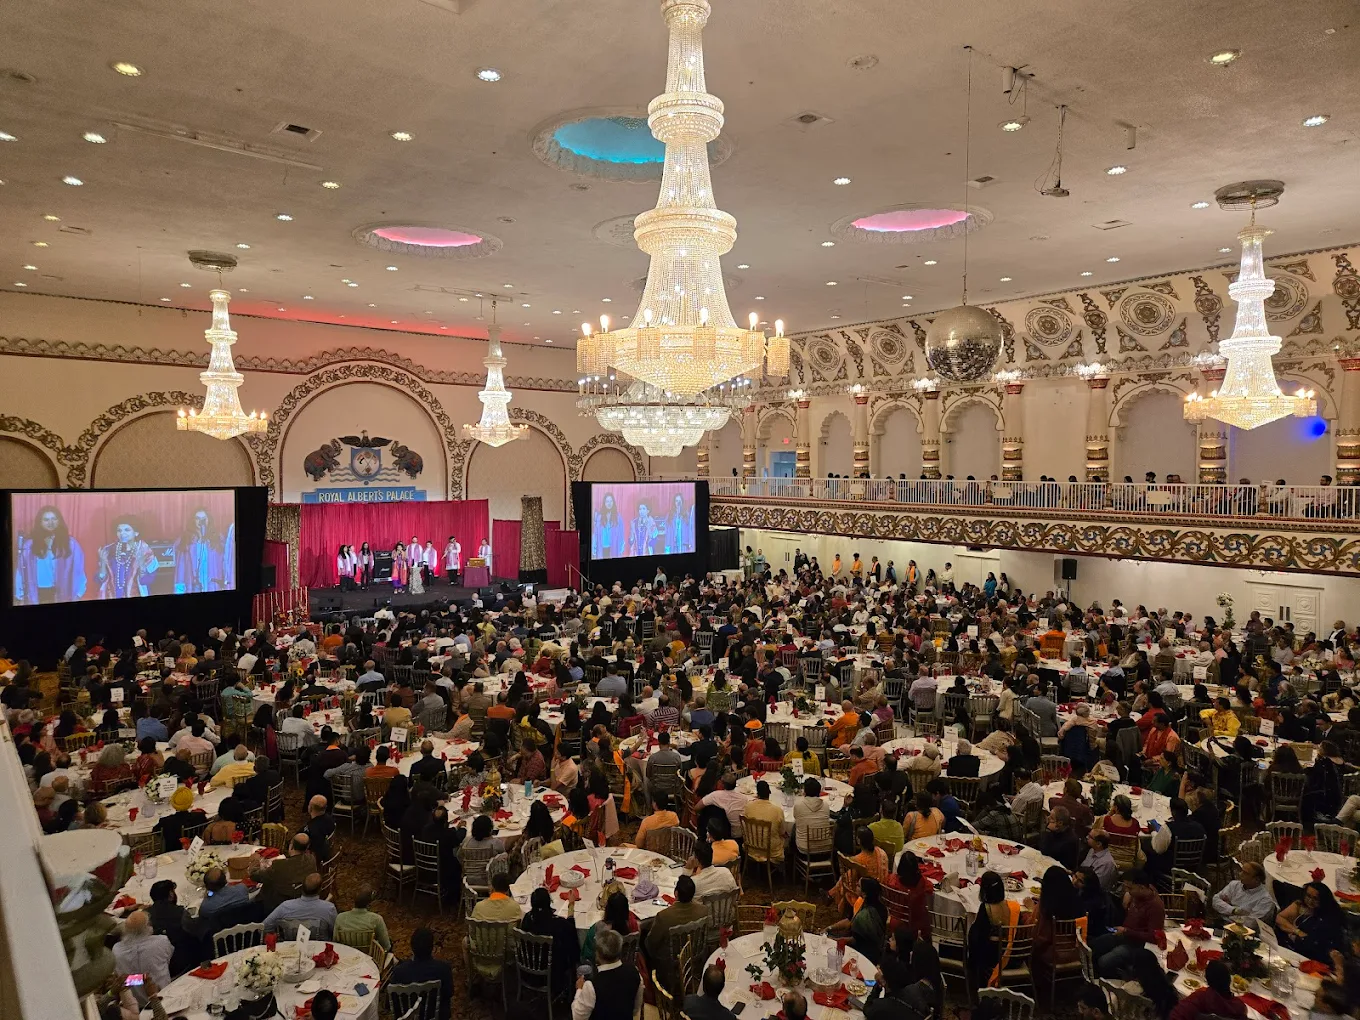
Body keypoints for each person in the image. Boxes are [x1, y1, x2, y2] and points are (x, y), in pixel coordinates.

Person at [1092, 870, 1164, 977]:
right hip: (1125, 934)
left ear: (1142, 888)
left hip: (1137, 945)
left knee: (1104, 961)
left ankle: (1113, 979)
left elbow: (1153, 937)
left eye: (1129, 888)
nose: (1127, 891)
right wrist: (1128, 894)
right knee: (1096, 944)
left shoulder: (1155, 907)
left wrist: (1127, 931)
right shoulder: (1141, 892)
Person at [969, 870, 1034, 988]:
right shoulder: (1013, 906)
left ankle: (976, 981)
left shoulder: (986, 908)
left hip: (995, 959)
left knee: (975, 937)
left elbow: (978, 939)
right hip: (1015, 957)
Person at [14, 503, 86, 604]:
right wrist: (20, 596)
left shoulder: (71, 544)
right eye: (46, 520)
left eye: (54, 519)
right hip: (37, 595)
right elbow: (20, 572)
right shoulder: (29, 545)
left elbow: (79, 571)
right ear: (40, 522)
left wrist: (78, 594)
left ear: (59, 521)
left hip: (62, 594)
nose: (50, 523)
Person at [645, 876, 707, 989]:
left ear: (676, 893)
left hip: (669, 959)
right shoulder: (703, 911)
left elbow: (651, 943)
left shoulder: (664, 916)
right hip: (694, 953)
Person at [571, 927, 641, 1020]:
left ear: (598, 954)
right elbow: (635, 1009)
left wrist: (579, 990)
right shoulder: (635, 972)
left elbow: (577, 1017)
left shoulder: (592, 985)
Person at [390, 928, 454, 1020]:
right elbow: (449, 993)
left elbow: (392, 1002)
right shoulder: (444, 969)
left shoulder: (399, 972)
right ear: (432, 948)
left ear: (412, 947)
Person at [1275, 881, 1347, 962]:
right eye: (1308, 896)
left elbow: (1315, 943)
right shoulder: (1300, 905)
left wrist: (1294, 934)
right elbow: (1278, 918)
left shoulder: (1328, 918)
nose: (1310, 901)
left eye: (1315, 898)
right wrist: (1296, 931)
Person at [250, 833, 317, 913]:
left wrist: (255, 861)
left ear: (291, 846)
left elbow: (254, 876)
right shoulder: (311, 859)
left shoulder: (280, 866)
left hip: (277, 906)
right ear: (307, 847)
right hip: (300, 899)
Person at [96, 516, 160, 599]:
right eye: (119, 530)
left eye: (127, 530)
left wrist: (141, 564)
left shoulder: (146, 552)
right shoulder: (108, 551)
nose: (122, 533)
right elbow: (100, 580)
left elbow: (147, 580)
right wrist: (103, 564)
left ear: (136, 533)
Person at [830, 825, 889, 914]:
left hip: (867, 892)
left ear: (859, 840)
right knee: (848, 875)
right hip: (884, 889)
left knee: (846, 877)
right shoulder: (881, 852)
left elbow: (851, 880)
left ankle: (831, 894)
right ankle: (830, 894)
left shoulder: (858, 860)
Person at [112, 910, 174, 992]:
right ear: (148, 927)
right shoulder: (161, 941)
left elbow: (122, 979)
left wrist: (138, 979)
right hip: (163, 993)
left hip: (132, 997)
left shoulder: (116, 950)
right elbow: (168, 959)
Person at [263, 871, 336, 938]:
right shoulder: (329, 908)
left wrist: (277, 938)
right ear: (320, 889)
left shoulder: (285, 906)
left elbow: (263, 927)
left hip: (292, 947)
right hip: (321, 947)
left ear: (302, 887)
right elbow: (335, 933)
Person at [1168, 960, 1247, 1020]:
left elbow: (1175, 1015)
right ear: (1229, 981)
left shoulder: (1200, 998)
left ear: (1208, 980)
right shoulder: (1240, 1007)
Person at [1210, 862, 1274, 924]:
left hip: (1239, 929)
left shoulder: (1265, 899)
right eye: (1241, 871)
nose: (1240, 874)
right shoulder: (1234, 885)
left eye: (1245, 873)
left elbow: (1251, 923)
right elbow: (1215, 900)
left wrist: (1225, 909)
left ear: (1257, 879)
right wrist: (1234, 910)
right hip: (1221, 920)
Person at [334, 885, 392, 952]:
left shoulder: (340, 918)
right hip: (369, 956)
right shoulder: (377, 919)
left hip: (347, 955)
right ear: (370, 902)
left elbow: (335, 942)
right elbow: (386, 946)